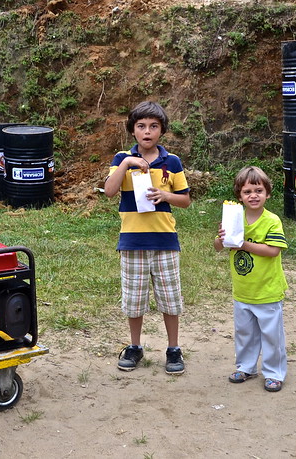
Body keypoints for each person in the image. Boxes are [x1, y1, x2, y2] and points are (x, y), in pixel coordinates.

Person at [104, 101, 191, 375]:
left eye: (153, 126)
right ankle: (134, 346)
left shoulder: (172, 162)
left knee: (170, 298)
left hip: (165, 241)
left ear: (162, 131)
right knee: (134, 299)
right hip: (132, 243)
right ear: (133, 131)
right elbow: (109, 191)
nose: (147, 131)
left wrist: (165, 196)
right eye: (141, 126)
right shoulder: (121, 159)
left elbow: (185, 200)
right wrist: (128, 162)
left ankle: (173, 349)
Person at [214, 166, 288, 392]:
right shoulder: (234, 218)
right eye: (247, 192)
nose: (253, 195)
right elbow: (219, 246)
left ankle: (274, 372)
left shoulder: (271, 220)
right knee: (245, 333)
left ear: (268, 193)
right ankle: (246, 367)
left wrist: (242, 244)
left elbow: (273, 250)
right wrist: (223, 238)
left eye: (258, 190)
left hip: (267, 290)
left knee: (271, 335)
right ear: (239, 196)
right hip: (243, 290)